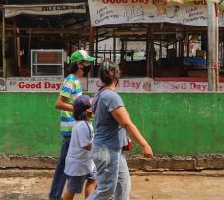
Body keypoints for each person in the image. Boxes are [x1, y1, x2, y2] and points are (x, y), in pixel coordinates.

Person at [87, 61, 154, 200]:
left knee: (123, 185)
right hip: (107, 151)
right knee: (105, 190)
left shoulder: (100, 94)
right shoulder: (111, 97)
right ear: (117, 77)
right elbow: (127, 124)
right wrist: (144, 145)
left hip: (113, 149)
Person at [49, 50, 96, 200]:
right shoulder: (71, 80)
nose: (89, 65)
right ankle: (58, 195)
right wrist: (79, 110)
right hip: (71, 129)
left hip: (72, 128)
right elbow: (59, 103)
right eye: (86, 62)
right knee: (69, 167)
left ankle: (56, 195)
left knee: (65, 164)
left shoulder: (75, 80)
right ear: (79, 64)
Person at [62, 95, 97, 200]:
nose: (93, 109)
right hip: (78, 165)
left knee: (93, 179)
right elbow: (86, 146)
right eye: (91, 107)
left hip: (87, 162)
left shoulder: (86, 122)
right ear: (86, 112)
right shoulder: (82, 126)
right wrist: (100, 144)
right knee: (72, 189)